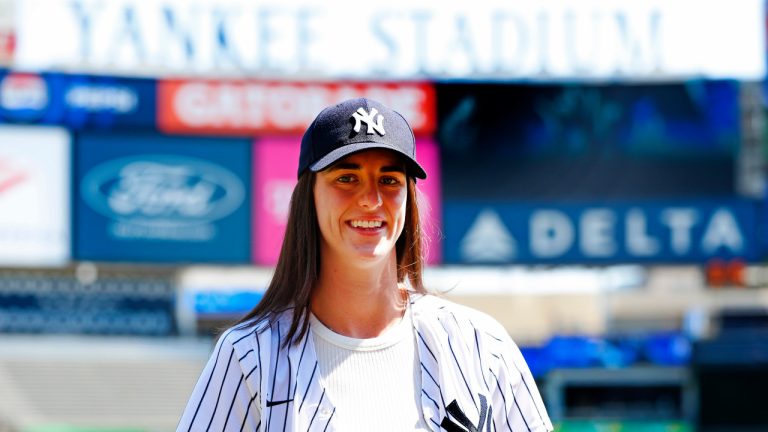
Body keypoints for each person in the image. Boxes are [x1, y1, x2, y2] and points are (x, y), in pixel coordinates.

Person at [177, 98, 553, 431]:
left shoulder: (482, 345)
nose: (371, 200)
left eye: (389, 180)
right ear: (309, 198)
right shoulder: (249, 355)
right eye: (346, 178)